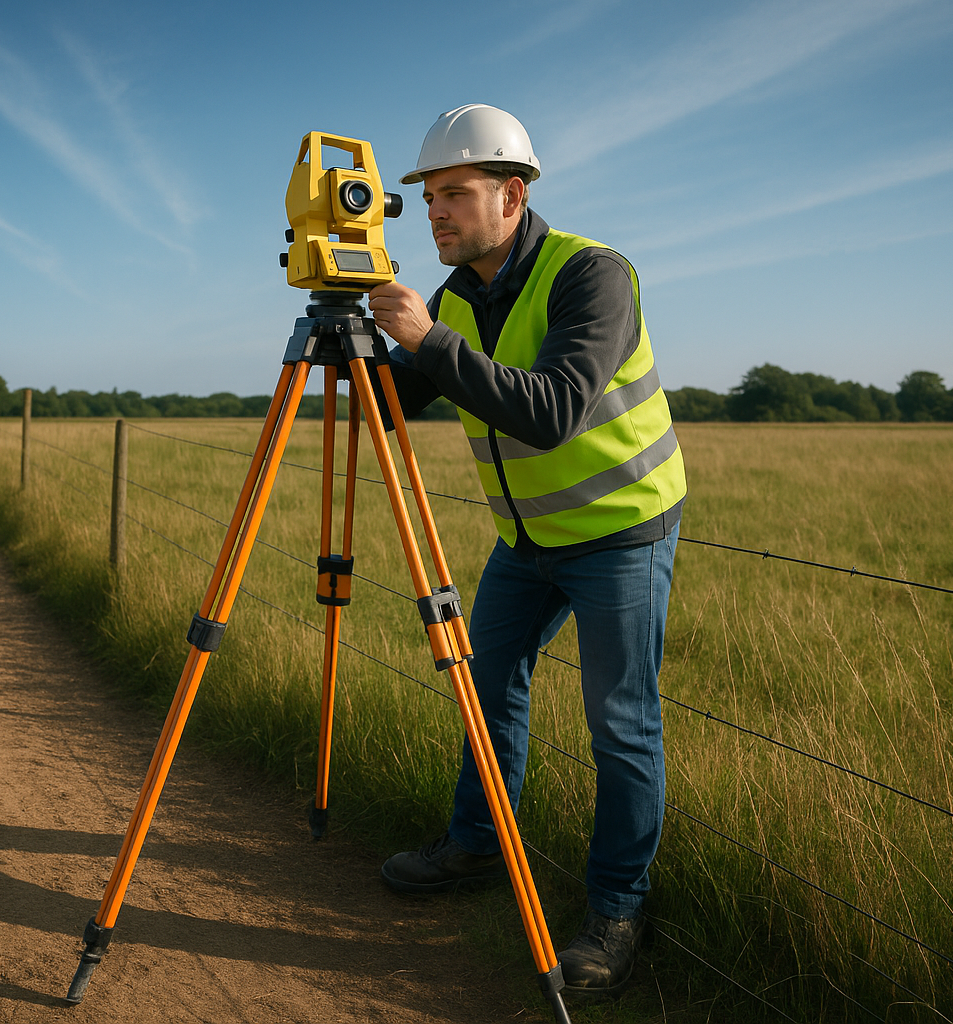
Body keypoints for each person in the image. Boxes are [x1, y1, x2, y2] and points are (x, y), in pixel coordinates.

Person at [366, 104, 687, 1000]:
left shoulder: (593, 275)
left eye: (454, 194)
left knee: (621, 727)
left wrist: (428, 342)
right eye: (428, 198)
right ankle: (476, 844)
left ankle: (618, 909)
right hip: (526, 540)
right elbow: (398, 403)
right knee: (483, 678)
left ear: (512, 194)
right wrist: (353, 351)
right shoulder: (458, 293)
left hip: (621, 533)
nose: (435, 213)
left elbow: (550, 411)